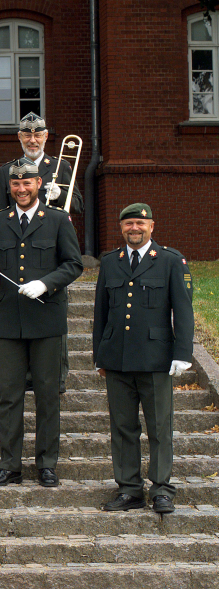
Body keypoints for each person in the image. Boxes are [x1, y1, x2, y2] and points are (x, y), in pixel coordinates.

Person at [0, 158, 83, 489]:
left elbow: (74, 264)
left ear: (38, 184)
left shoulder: (57, 219)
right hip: (11, 321)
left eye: (27, 183)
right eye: (16, 184)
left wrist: (46, 283)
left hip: (47, 319)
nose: (21, 189)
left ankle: (47, 464)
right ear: (9, 186)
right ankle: (9, 465)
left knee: (47, 396)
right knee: (9, 396)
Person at [94, 203, 194, 514]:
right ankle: (129, 489)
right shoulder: (110, 262)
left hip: (155, 359)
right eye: (128, 224)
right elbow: (101, 313)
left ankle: (162, 490)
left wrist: (183, 353)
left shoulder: (170, 260)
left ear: (152, 226)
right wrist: (100, 355)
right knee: (123, 427)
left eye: (140, 223)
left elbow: (184, 309)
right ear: (121, 228)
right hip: (118, 359)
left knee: (159, 428)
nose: (134, 228)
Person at [0, 112, 84, 394]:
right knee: (21, 309)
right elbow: (0, 211)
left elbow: (79, 205)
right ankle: (26, 372)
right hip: (19, 246)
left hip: (52, 248)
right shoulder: (7, 170)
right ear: (19, 137)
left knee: (54, 310)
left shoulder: (61, 166)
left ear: (46, 136)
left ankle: (56, 375)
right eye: (27, 135)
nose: (32, 140)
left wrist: (59, 195)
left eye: (37, 135)